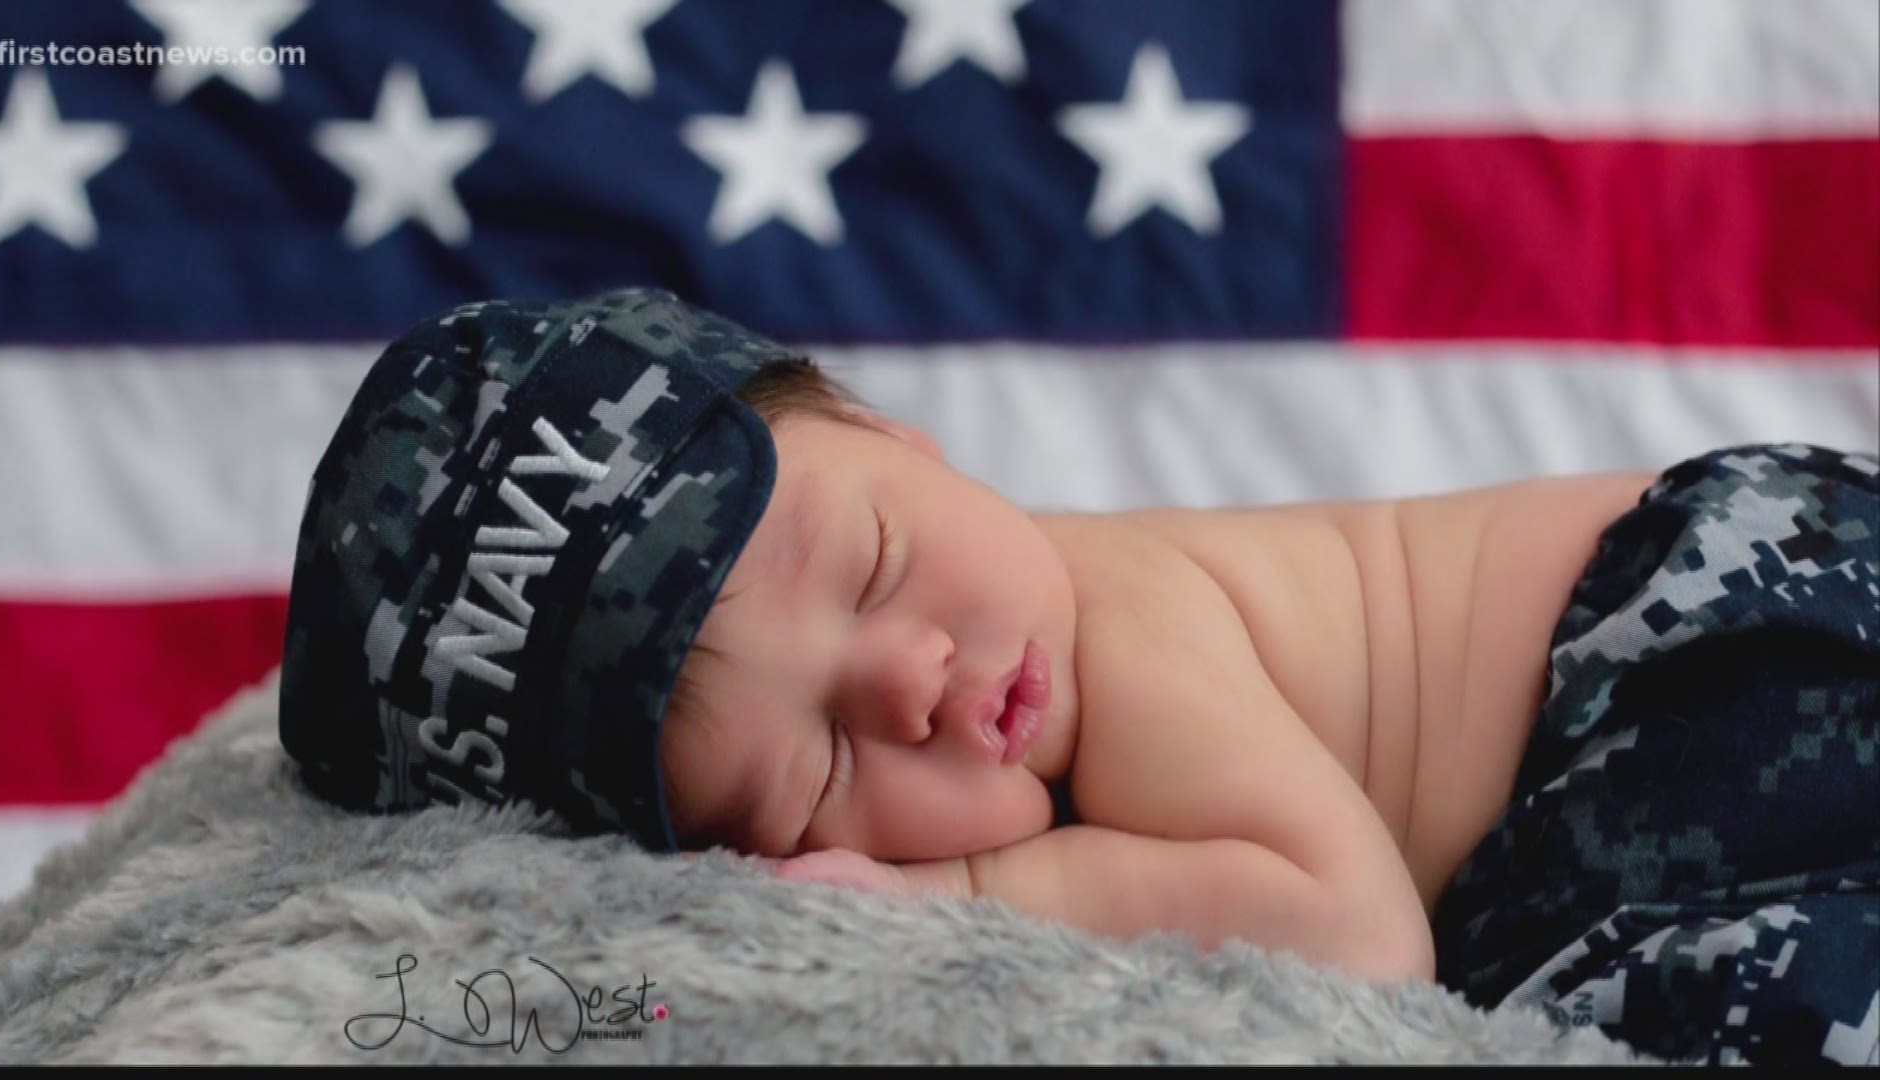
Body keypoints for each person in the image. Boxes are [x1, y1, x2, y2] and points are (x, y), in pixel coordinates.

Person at [279, 288, 1879, 1066]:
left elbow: (1358, 934)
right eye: (815, 770)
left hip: (1696, 665)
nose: (909, 679)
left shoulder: (1114, 619)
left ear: (895, 435)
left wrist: (964, 895)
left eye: (880, 566)